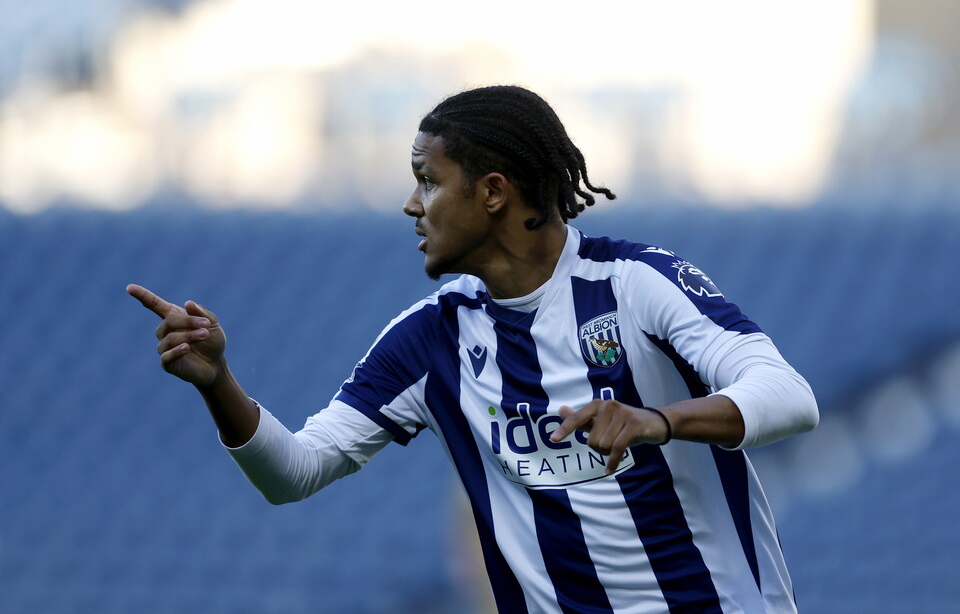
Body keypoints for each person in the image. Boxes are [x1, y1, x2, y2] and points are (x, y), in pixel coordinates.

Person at [128, 85, 819, 613]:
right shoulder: (431, 339)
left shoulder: (635, 285)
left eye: (428, 180)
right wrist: (218, 382)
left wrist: (658, 420)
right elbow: (295, 472)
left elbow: (790, 396)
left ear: (492, 192)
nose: (411, 204)